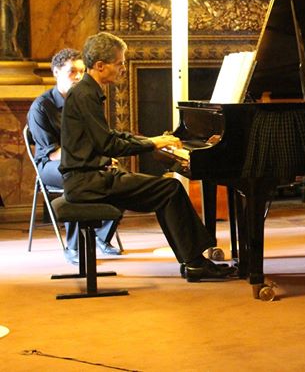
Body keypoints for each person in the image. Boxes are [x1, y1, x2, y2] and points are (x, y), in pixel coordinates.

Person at [59, 32, 236, 282]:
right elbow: (108, 144)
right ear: (100, 66)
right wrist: (152, 142)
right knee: (170, 189)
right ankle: (195, 262)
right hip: (88, 182)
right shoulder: (86, 95)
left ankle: (193, 260)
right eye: (119, 63)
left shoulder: (86, 91)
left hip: (89, 178)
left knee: (166, 190)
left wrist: (150, 141)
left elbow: (109, 135)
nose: (122, 69)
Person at [27, 48, 121, 265]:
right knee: (78, 178)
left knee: (119, 175)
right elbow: (52, 153)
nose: (78, 77)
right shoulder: (41, 107)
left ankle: (101, 236)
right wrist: (94, 161)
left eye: (81, 71)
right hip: (50, 165)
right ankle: (74, 247)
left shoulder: (84, 101)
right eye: (72, 72)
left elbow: (98, 139)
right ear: (56, 73)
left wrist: (104, 159)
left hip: (83, 162)